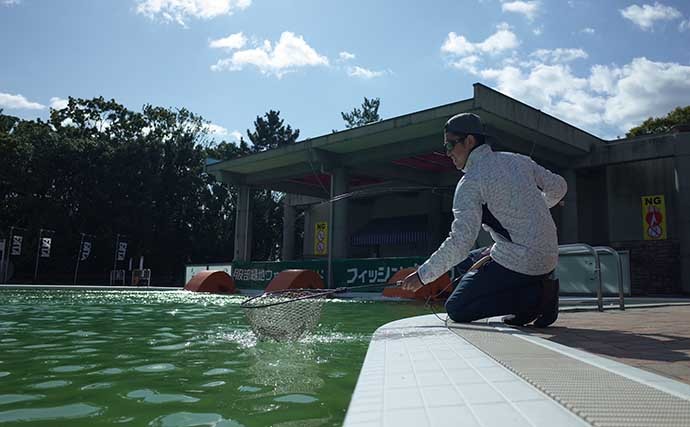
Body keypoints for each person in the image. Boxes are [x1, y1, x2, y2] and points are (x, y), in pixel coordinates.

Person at [400, 113, 567, 327]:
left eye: (450, 145)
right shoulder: (518, 159)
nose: (448, 153)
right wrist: (538, 206)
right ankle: (530, 299)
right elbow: (559, 186)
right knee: (466, 263)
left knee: (456, 309)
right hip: (549, 256)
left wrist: (422, 276)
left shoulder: (470, 182)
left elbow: (460, 242)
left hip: (522, 260)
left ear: (469, 141)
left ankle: (537, 299)